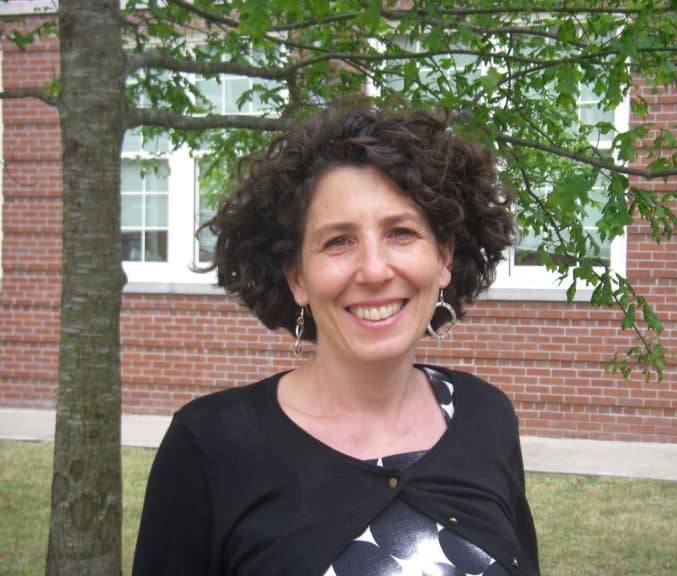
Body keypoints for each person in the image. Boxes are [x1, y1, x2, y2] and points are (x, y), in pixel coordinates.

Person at [132, 105, 539, 576]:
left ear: (443, 257)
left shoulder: (487, 417)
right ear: (297, 277)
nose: (373, 270)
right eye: (338, 241)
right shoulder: (209, 447)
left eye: (401, 233)